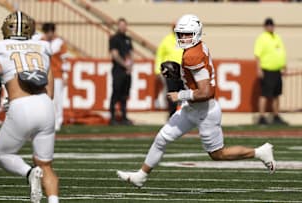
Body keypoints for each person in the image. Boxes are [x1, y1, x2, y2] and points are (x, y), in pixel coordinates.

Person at [116, 14, 276, 188]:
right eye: (181, 34)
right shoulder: (196, 48)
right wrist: (181, 75)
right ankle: (141, 176)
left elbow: (207, 92)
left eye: (188, 34)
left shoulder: (193, 55)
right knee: (161, 138)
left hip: (205, 112)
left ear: (197, 33)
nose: (183, 37)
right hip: (191, 109)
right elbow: (197, 80)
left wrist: (181, 95)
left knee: (217, 154)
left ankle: (260, 152)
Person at [0, 11, 59, 203]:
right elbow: (50, 92)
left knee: (2, 155)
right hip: (45, 106)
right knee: (46, 165)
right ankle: (53, 200)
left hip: (21, 106)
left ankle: (28, 173)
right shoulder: (42, 48)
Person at [254, 17, 287, 125]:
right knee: (265, 94)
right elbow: (257, 54)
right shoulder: (262, 38)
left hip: (277, 70)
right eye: (268, 25)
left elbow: (281, 52)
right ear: (265, 26)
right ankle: (262, 116)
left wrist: (284, 65)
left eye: (271, 25)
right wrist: (259, 69)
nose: (270, 27)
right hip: (267, 69)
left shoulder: (277, 37)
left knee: (277, 94)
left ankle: (276, 115)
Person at [41, 22, 69, 131]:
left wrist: (65, 75)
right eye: (46, 32)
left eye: (49, 32)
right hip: (44, 74)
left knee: (58, 99)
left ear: (53, 32)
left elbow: (65, 60)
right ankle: (48, 121)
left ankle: (58, 121)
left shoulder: (60, 43)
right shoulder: (41, 41)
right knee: (47, 100)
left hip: (57, 75)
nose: (47, 35)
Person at [155, 23, 184, 118]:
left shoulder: (184, 39)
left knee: (184, 93)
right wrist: (158, 70)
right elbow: (160, 55)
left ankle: (184, 114)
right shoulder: (167, 40)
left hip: (184, 72)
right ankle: (172, 114)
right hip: (171, 73)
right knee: (171, 93)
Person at [109, 18, 134, 125]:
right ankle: (113, 117)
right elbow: (115, 54)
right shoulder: (114, 39)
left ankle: (124, 117)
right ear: (118, 26)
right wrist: (125, 65)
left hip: (127, 71)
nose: (123, 27)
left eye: (125, 25)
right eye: (121, 25)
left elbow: (131, 53)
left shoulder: (128, 39)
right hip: (118, 70)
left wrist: (130, 66)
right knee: (116, 93)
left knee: (125, 94)